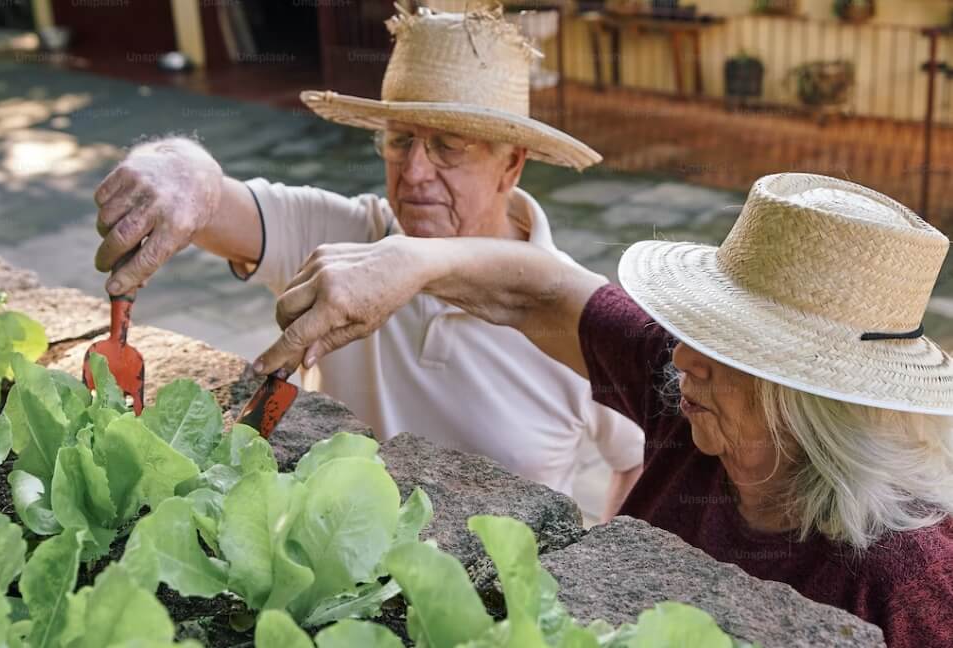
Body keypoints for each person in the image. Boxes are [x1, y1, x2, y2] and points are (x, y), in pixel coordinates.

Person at [252, 173, 953, 647]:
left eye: (727, 350)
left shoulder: (905, 577)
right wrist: (411, 262)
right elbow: (544, 293)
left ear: (810, 399)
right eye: (694, 333)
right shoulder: (692, 403)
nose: (682, 361)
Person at [92, 6, 645, 517]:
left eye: (449, 146)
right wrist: (175, 168)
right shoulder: (343, 234)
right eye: (401, 141)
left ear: (512, 165)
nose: (415, 172)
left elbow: (641, 459)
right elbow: (210, 198)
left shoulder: (578, 315)